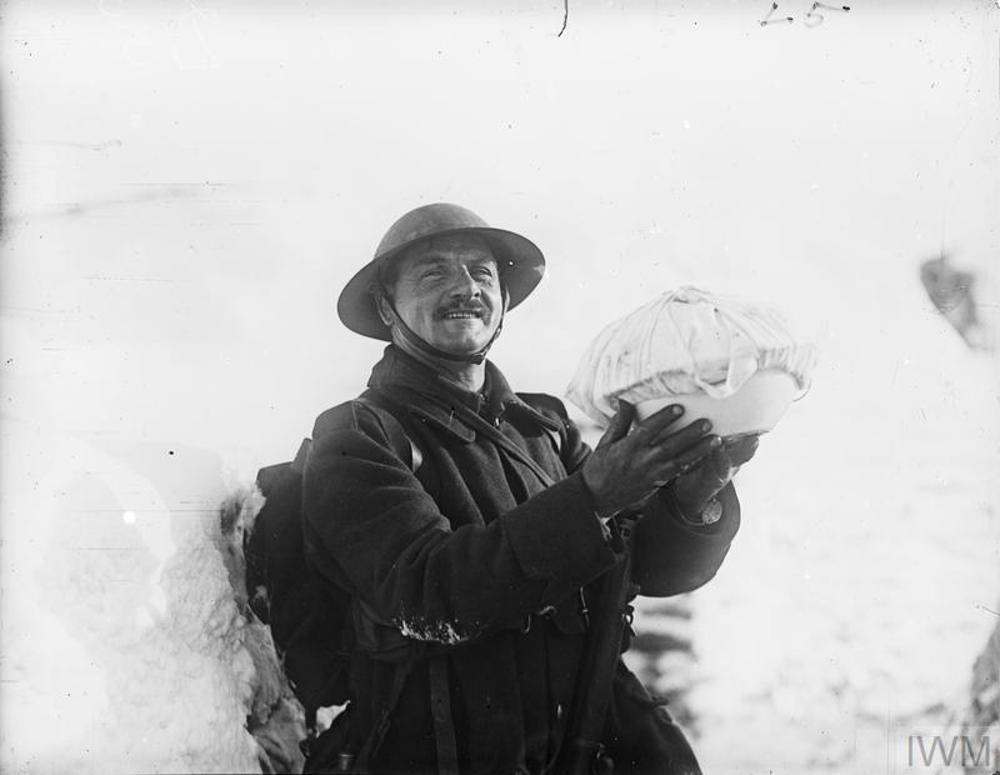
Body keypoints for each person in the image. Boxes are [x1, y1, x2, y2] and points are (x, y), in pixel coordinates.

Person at [301, 203, 758, 774]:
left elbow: (645, 572)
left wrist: (693, 502)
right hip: (445, 752)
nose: (465, 287)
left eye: (482, 273)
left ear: (504, 304)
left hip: (582, 736)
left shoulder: (543, 427)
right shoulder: (356, 436)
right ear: (386, 309)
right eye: (433, 273)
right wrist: (593, 498)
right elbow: (430, 596)